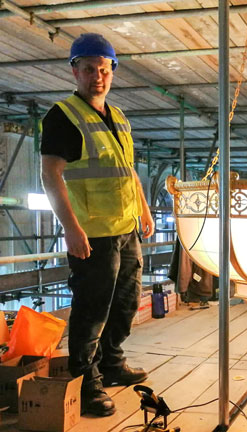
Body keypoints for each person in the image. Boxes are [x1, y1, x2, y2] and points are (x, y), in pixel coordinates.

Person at [41, 33, 155, 417]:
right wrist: (71, 228)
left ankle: (112, 363)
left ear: (112, 72)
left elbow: (128, 171)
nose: (98, 77)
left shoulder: (118, 116)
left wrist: (144, 209)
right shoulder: (62, 116)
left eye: (104, 70)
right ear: (75, 70)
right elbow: (50, 175)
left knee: (124, 303)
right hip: (92, 234)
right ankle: (87, 382)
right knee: (92, 309)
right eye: (89, 69)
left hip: (126, 229)